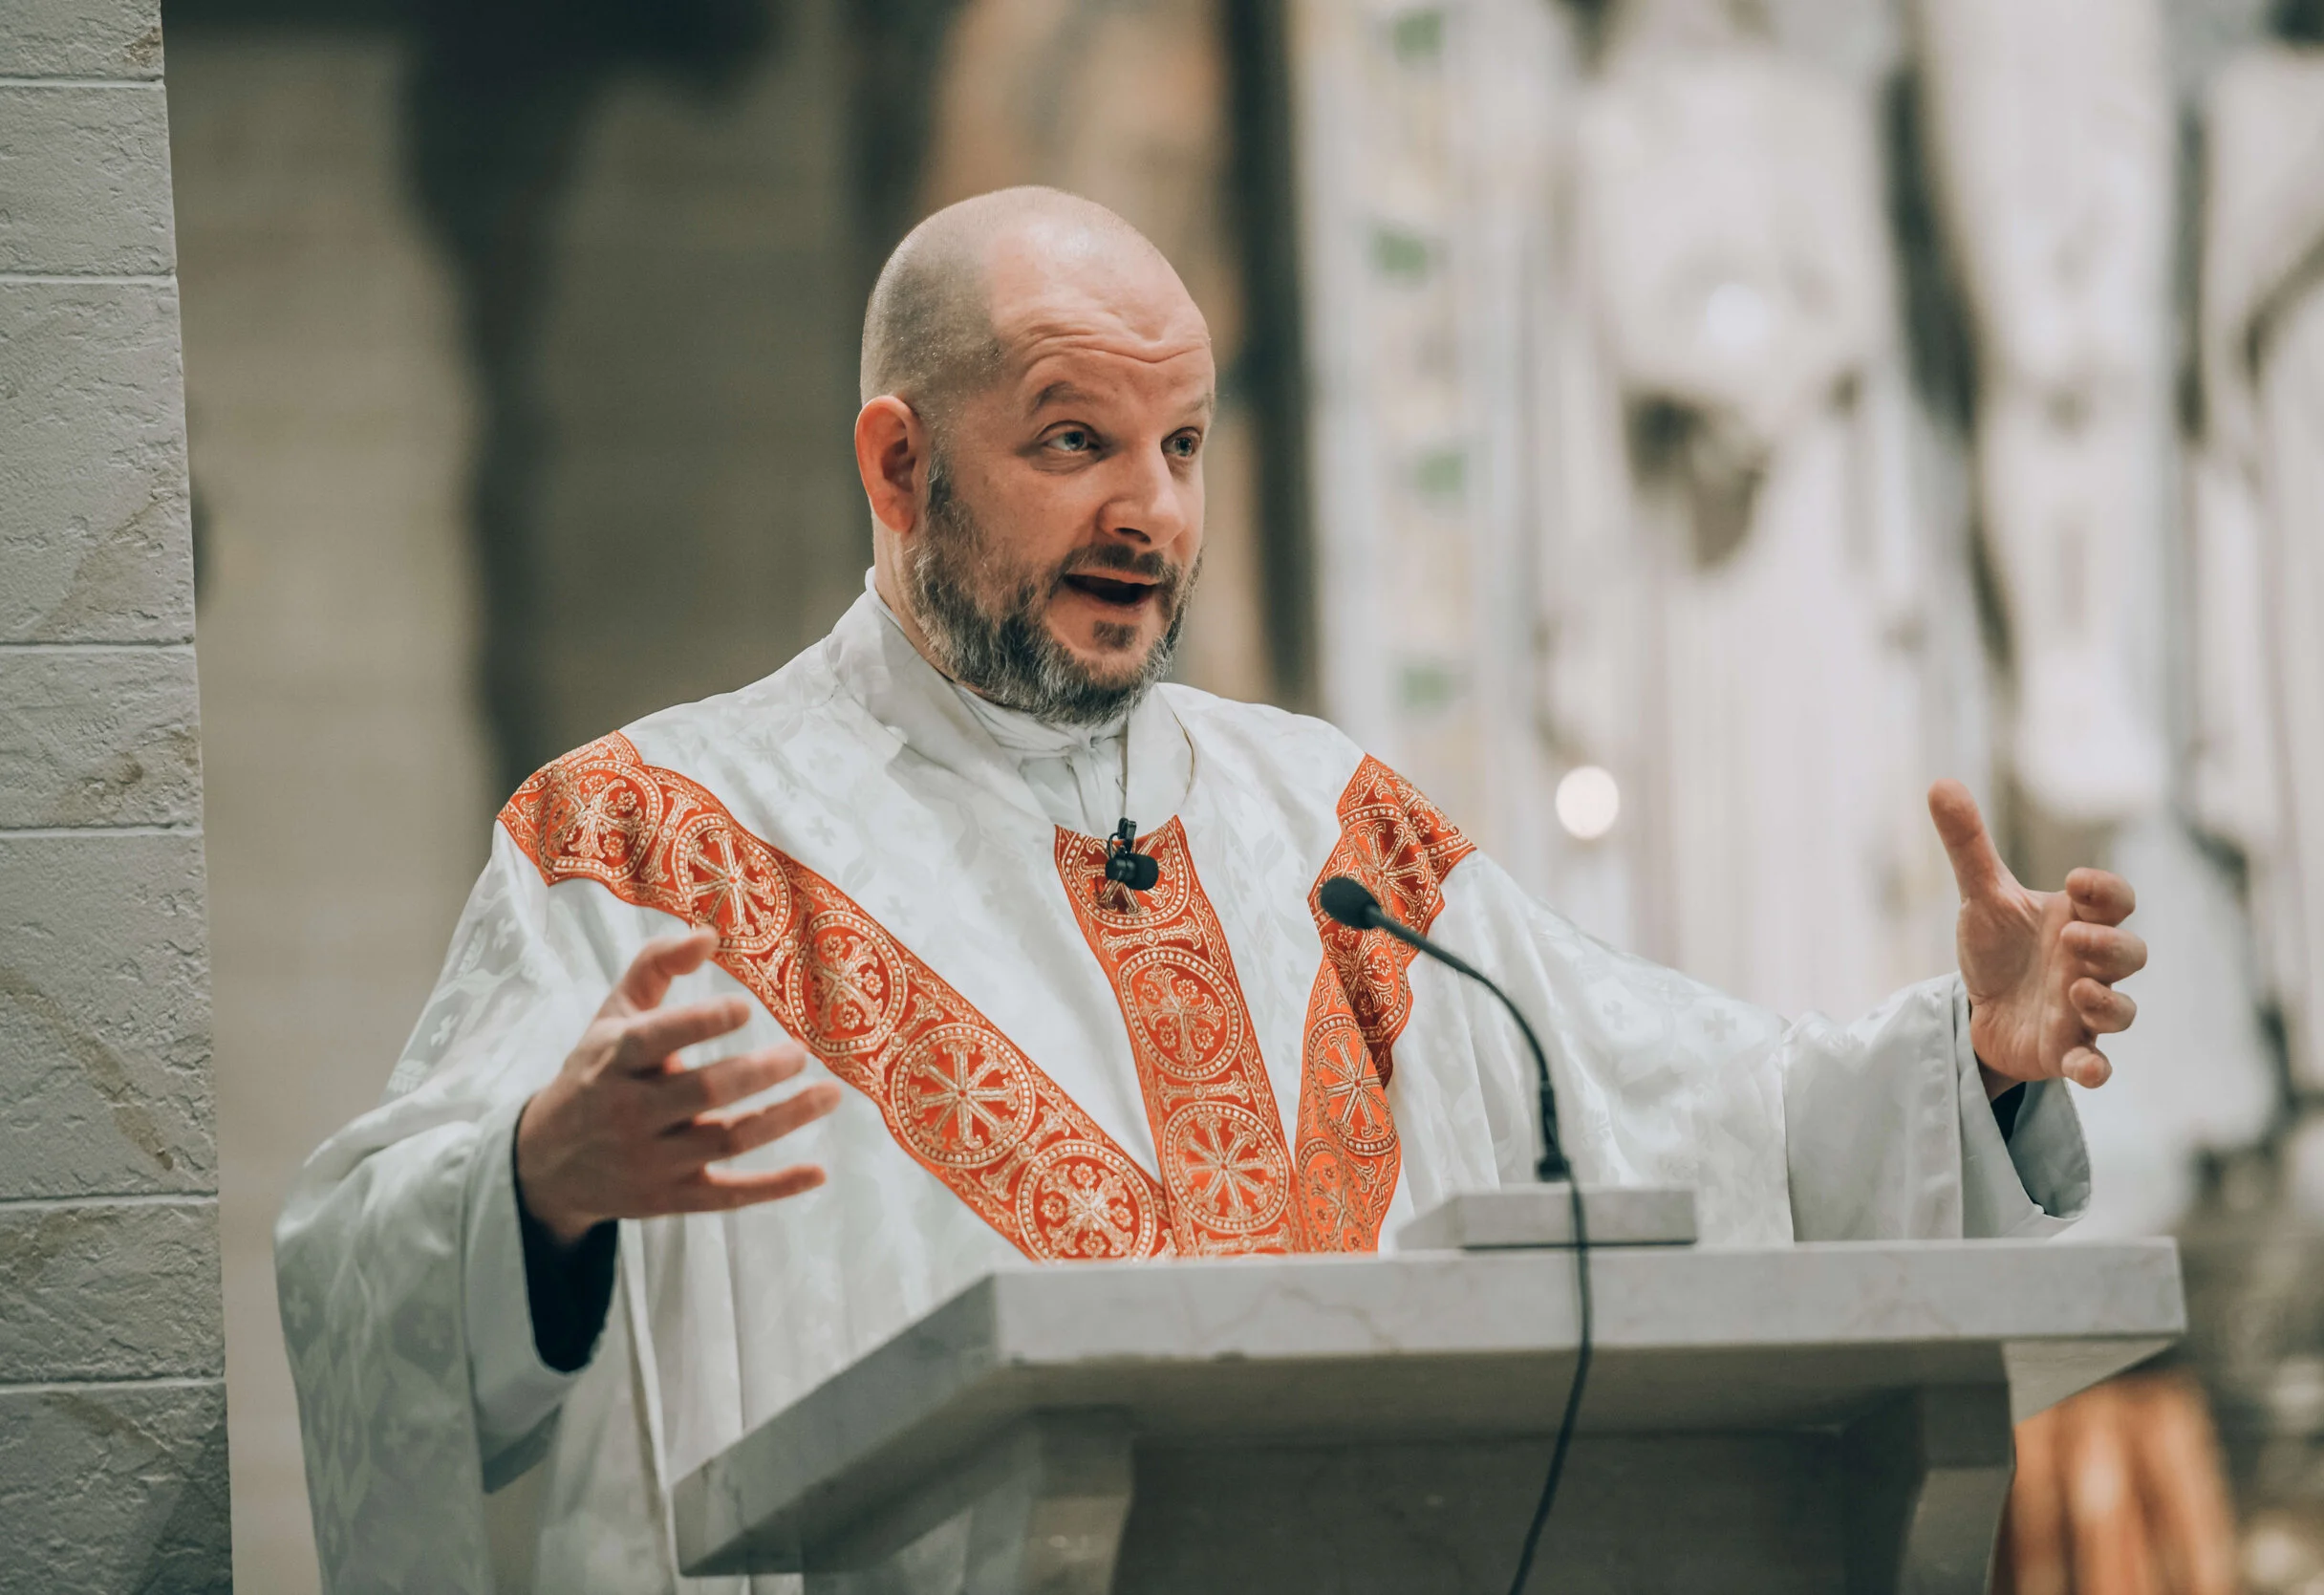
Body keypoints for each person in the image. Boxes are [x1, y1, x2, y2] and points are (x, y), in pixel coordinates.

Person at [277, 186, 2146, 1594]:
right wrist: (533, 1194)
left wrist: (1963, 1068)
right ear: (897, 464)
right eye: (1073, 439)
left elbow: (1701, 1116)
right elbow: (361, 1260)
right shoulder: (642, 843)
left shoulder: (1333, 829)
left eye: (1179, 448)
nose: (1151, 514)